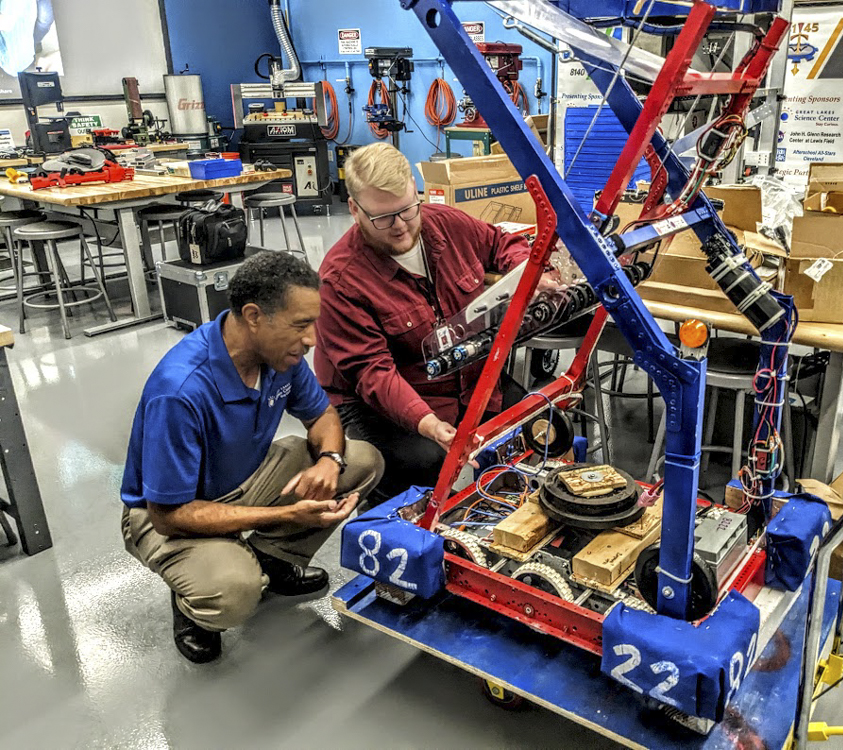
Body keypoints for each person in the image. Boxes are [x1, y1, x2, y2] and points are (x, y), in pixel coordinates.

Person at [120, 252, 384, 664]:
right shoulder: (180, 391)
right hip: (170, 511)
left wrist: (330, 459)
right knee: (234, 591)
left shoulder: (280, 356)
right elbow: (167, 516)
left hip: (245, 480)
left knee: (362, 459)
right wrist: (284, 516)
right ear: (254, 316)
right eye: (301, 325)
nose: (312, 339)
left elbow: (323, 416)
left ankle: (272, 561)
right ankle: (195, 607)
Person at [314, 143, 555, 500]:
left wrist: (529, 271)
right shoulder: (340, 280)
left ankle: (500, 514)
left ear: (416, 192)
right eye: (383, 217)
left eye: (407, 209)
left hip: (462, 377)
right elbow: (373, 374)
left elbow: (500, 242)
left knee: (533, 421)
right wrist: (428, 424)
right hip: (379, 403)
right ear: (354, 209)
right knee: (425, 462)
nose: (400, 227)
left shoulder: (444, 224)